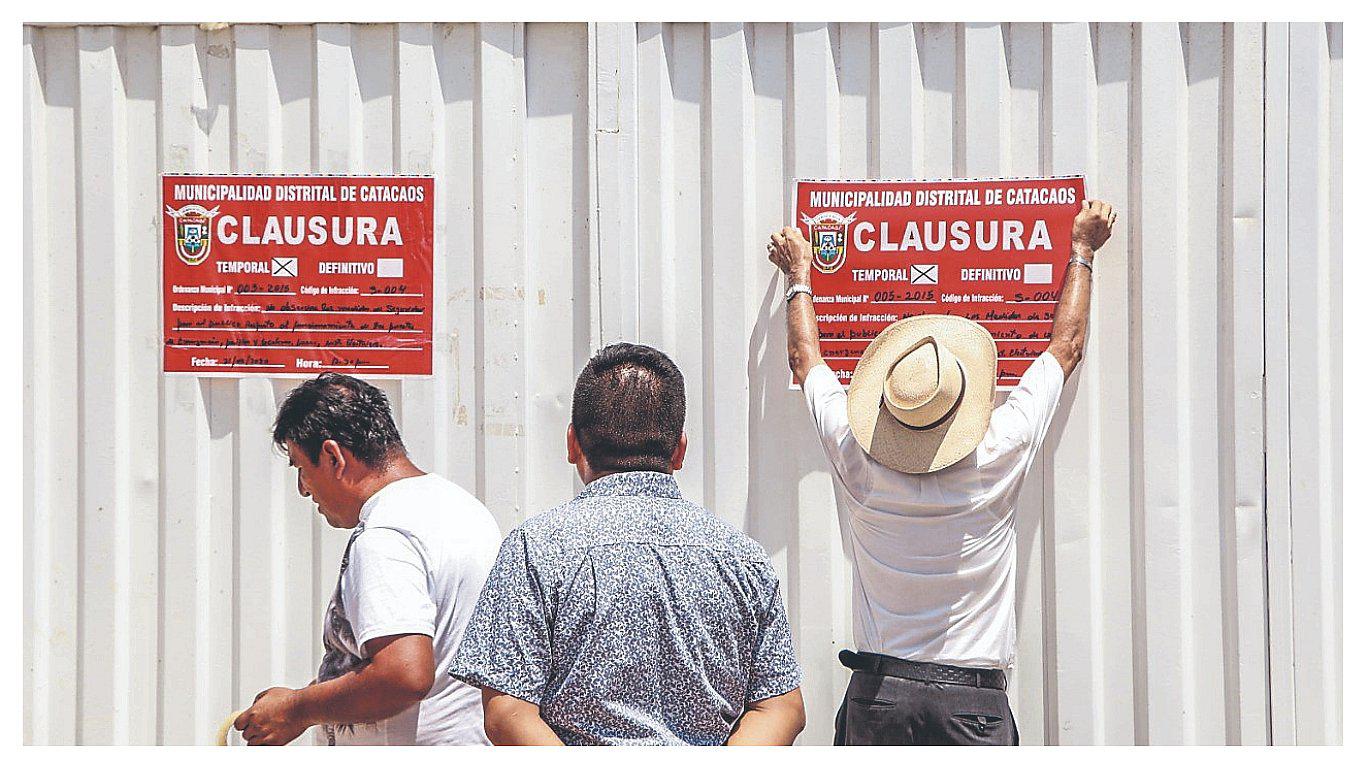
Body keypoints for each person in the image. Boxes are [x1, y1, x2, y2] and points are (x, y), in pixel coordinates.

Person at [766, 200, 1117, 745]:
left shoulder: (858, 460)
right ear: (964, 398)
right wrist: (1082, 250)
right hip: (971, 704)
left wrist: (798, 275)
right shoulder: (999, 452)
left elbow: (805, 360)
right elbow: (1064, 349)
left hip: (880, 696)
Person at [449, 343, 806, 745]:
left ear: (572, 444)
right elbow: (780, 707)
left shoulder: (535, 548)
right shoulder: (741, 557)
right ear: (679, 450)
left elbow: (507, 713)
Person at [232, 373, 501, 745]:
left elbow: (403, 674)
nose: (302, 489)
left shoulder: (385, 536)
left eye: (300, 468)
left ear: (332, 457)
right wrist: (298, 702)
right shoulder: (462, 509)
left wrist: (298, 708)